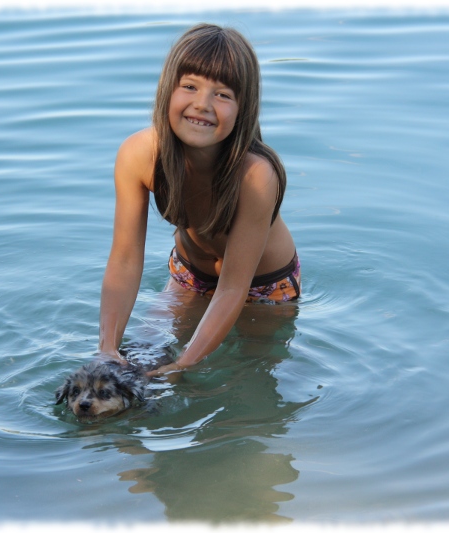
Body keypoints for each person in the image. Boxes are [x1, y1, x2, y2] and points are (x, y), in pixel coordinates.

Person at [97, 23, 300, 376]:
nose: (202, 104)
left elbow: (233, 288)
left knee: (243, 376)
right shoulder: (138, 154)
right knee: (141, 359)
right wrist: (107, 349)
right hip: (190, 276)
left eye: (222, 94)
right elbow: (125, 260)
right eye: (189, 86)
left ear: (243, 108)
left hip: (264, 288)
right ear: (167, 90)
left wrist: (184, 364)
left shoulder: (256, 175)